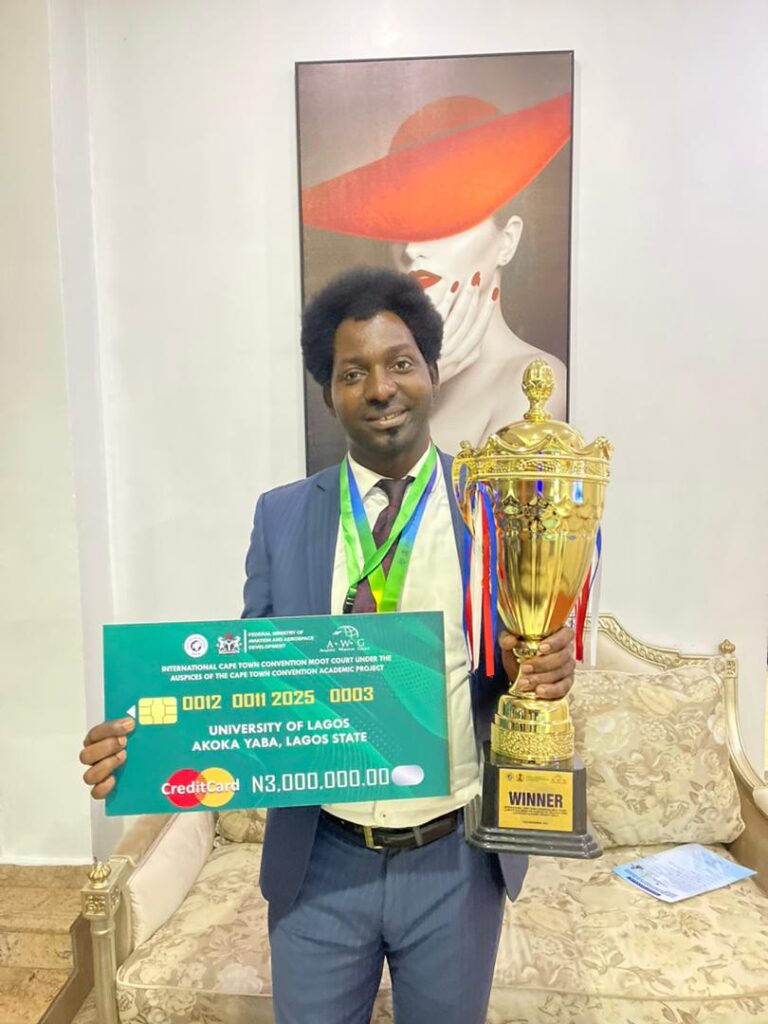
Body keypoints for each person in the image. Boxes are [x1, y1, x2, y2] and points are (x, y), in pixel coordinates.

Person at [80, 267, 576, 1024]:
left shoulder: (494, 509)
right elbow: (246, 677)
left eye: (401, 363)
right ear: (329, 395)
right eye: (353, 373)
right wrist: (143, 742)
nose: (381, 388)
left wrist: (539, 665)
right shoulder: (281, 517)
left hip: (454, 861)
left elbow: (518, 660)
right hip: (319, 860)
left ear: (432, 372)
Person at [302, 93, 571, 452]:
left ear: (507, 241)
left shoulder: (535, 383)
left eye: (444, 221)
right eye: (402, 225)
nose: (412, 248)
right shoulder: (372, 385)